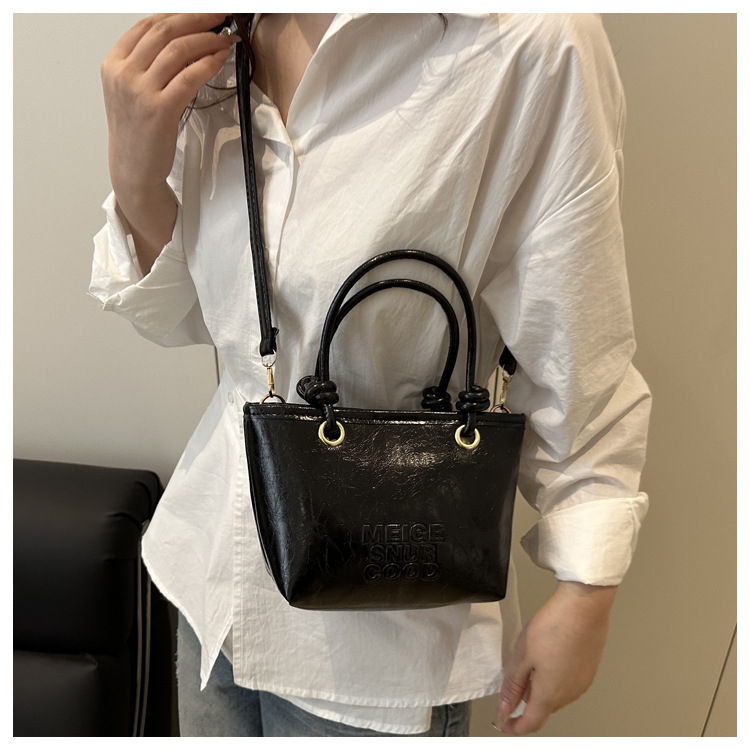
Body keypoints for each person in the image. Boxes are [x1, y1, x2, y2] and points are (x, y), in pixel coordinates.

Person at [91, 13, 651, 737]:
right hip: (211, 583)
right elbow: (199, 320)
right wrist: (136, 176)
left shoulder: (526, 37)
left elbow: (578, 336)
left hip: (380, 647)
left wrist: (586, 588)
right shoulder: (221, 42)